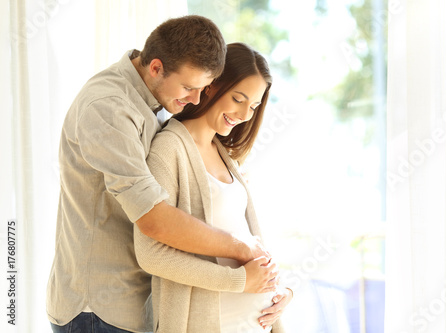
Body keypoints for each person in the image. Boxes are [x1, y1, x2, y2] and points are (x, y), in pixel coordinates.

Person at [47, 16, 275, 333]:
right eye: (190, 88)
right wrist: (242, 250)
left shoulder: (157, 103)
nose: (196, 99)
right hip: (98, 311)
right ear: (156, 67)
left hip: (134, 307)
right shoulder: (110, 107)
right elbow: (153, 218)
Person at [134, 43, 293, 333]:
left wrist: (280, 290)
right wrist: (241, 281)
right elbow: (152, 255)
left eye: (254, 106)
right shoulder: (170, 149)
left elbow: (249, 241)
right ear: (211, 85)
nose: (245, 114)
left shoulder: (225, 155)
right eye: (238, 98)